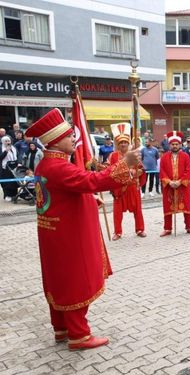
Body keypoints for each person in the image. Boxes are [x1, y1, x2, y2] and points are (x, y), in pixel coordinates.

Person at [26, 108, 138, 350]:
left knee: (59, 280)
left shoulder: (46, 165)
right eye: (69, 136)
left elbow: (68, 192)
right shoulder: (59, 168)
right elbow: (91, 181)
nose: (74, 139)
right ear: (55, 141)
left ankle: (62, 329)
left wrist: (88, 199)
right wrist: (125, 163)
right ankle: (79, 335)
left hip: (55, 235)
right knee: (75, 280)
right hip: (69, 236)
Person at [108, 123, 146, 240]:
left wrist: (138, 172)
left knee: (138, 209)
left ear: (128, 143)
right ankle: (117, 232)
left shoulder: (133, 154)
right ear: (118, 144)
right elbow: (108, 169)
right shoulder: (112, 156)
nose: (123, 144)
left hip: (133, 186)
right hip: (119, 188)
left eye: (125, 142)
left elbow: (141, 168)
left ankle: (140, 229)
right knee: (117, 211)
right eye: (121, 143)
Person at [159, 131, 190, 236]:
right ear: (169, 145)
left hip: (183, 185)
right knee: (167, 206)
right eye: (172, 144)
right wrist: (169, 182)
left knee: (186, 206)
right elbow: (162, 171)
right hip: (169, 186)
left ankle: (189, 227)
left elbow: (188, 171)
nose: (175, 146)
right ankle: (167, 228)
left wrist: (180, 181)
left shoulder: (185, 156)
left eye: (176, 144)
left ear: (180, 145)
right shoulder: (164, 157)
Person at [1, 136, 18, 201]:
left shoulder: (14, 148)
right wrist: (6, 151)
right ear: (3, 142)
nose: (8, 142)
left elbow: (18, 156)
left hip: (14, 167)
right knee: (7, 183)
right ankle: (7, 195)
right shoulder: (1, 148)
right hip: (5, 168)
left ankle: (14, 195)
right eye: (6, 141)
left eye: (9, 141)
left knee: (14, 182)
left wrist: (19, 162)